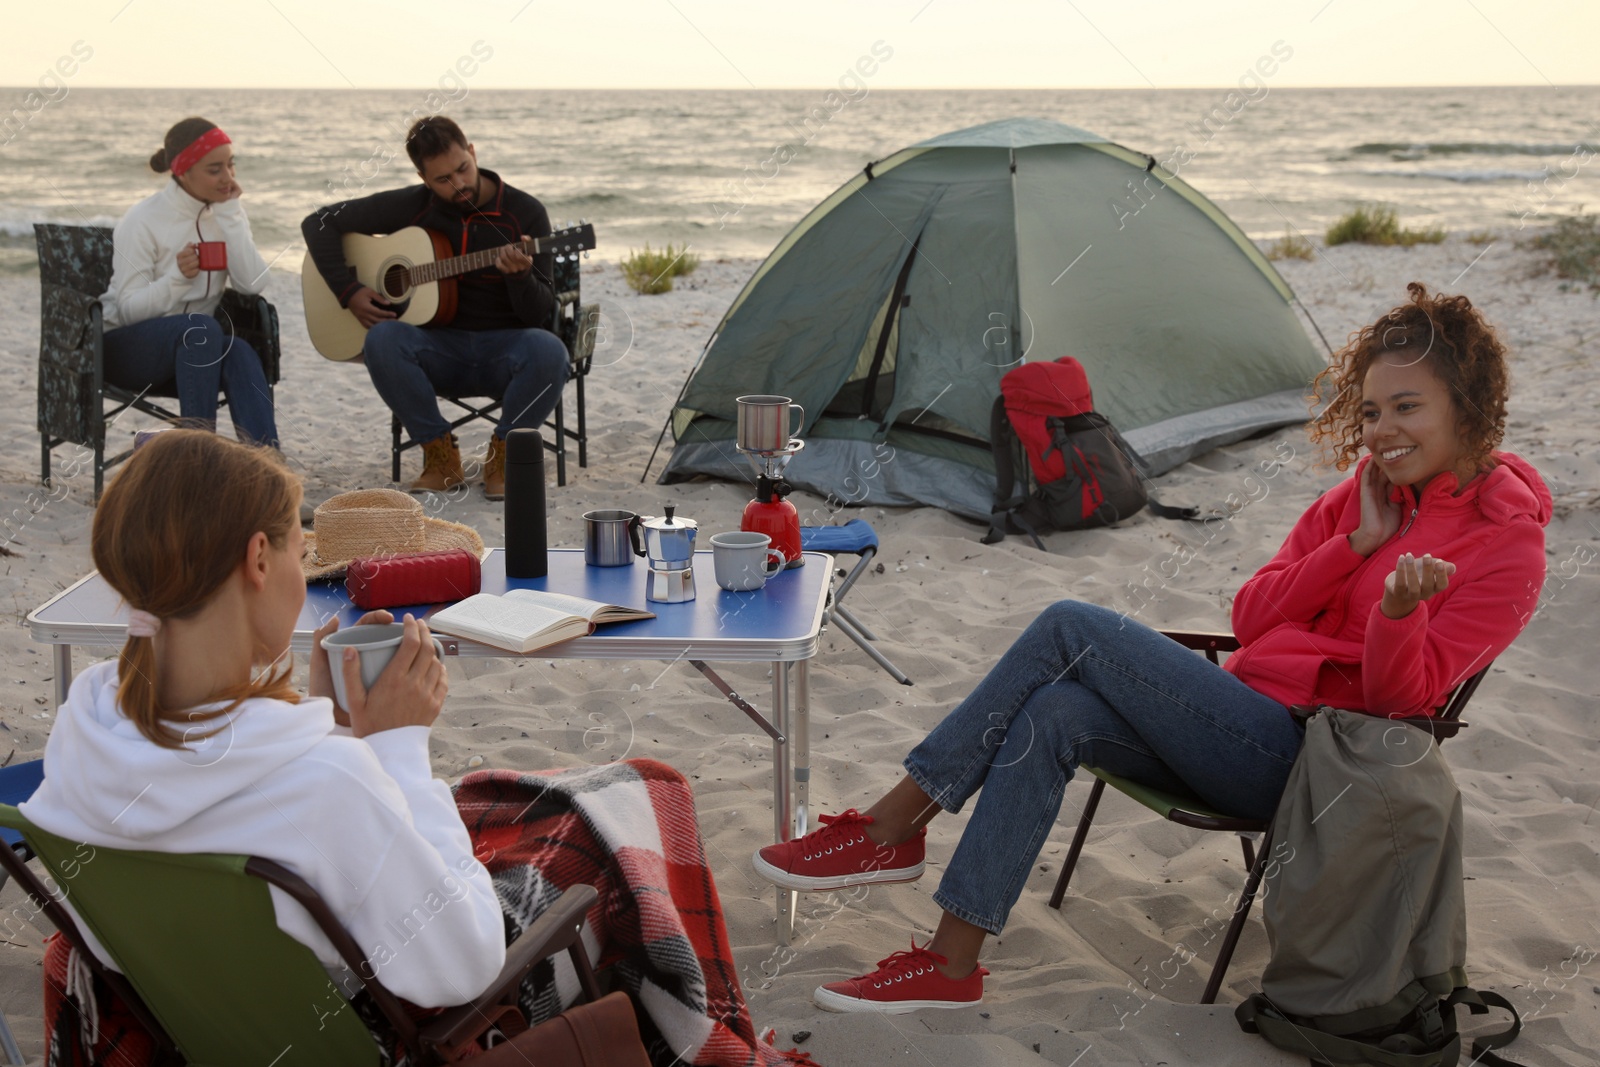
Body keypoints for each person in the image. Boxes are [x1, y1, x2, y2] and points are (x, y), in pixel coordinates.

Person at [752, 283, 1551, 1014]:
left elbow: (1398, 710)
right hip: (1233, 718)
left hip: (1318, 764)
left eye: (1405, 407)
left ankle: (892, 824)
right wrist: (1352, 546)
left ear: (1468, 408)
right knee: (1054, 711)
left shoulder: (1506, 545)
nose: (1381, 432)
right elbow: (1254, 613)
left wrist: (1397, 610)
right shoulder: (1364, 496)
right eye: (1371, 411)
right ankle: (951, 963)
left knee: (1070, 624)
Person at [22, 431, 816, 1066]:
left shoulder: (88, 726)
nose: (306, 568)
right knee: (643, 797)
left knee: (582, 803)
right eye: (301, 549)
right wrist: (393, 745)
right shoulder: (324, 781)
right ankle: (714, 1045)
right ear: (257, 561)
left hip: (213, 1003)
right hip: (380, 1021)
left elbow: (242, 802)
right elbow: (463, 963)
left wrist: (332, 729)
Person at [300, 116, 569, 500]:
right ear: (423, 178)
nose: (458, 184)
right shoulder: (413, 206)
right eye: (443, 179)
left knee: (551, 351)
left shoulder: (525, 212)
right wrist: (349, 291)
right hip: (437, 352)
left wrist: (520, 277)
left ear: (473, 152)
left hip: (506, 351)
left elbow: (538, 315)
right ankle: (440, 455)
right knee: (381, 339)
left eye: (463, 168)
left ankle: (505, 455)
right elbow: (318, 223)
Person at [100, 117, 279, 448]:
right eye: (215, 170)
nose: (228, 178)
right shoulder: (143, 219)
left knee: (238, 350)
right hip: (124, 352)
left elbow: (252, 284)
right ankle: (196, 456)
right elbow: (126, 312)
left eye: (231, 165)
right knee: (202, 328)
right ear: (183, 172)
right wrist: (177, 280)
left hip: (197, 354)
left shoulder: (228, 214)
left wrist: (230, 215)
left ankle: (266, 464)